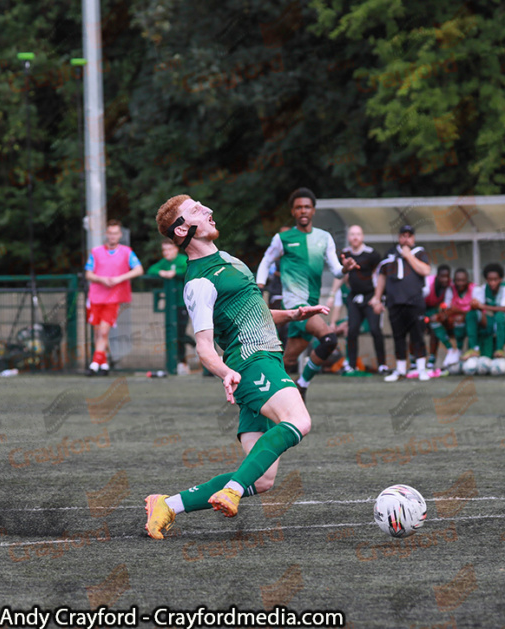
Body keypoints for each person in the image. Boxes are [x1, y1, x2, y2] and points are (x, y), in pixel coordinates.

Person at [145, 195, 326, 537]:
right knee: (299, 420)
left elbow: (252, 308)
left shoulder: (228, 259)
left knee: (263, 478)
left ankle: (168, 505)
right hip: (251, 363)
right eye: (197, 210)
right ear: (183, 229)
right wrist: (226, 372)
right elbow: (204, 346)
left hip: (262, 362)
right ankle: (231, 491)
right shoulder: (199, 283)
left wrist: (291, 315)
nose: (209, 210)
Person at [255, 188, 357, 400]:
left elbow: (337, 271)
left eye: (307, 207)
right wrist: (260, 286)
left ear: (313, 211)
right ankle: (301, 385)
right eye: (299, 207)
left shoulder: (324, 237)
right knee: (329, 339)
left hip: (312, 303)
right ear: (293, 211)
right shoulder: (283, 238)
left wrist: (346, 267)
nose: (303, 210)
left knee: (287, 361)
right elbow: (266, 261)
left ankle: (260, 391)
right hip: (296, 306)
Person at [372, 224, 433, 381]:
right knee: (398, 336)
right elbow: (382, 277)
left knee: (417, 335)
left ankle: (421, 368)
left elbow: (425, 270)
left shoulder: (419, 253)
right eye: (403, 236)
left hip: (415, 302)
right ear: (399, 237)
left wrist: (408, 256)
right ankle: (400, 369)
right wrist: (377, 298)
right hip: (395, 302)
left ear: (413, 238)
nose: (406, 239)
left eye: (409, 236)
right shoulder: (390, 254)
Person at [84, 220, 143, 376]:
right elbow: (88, 273)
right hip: (96, 297)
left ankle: (94, 364)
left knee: (103, 332)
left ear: (120, 235)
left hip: (114, 298)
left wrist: (120, 278)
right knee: (98, 333)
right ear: (106, 234)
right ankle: (103, 366)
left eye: (115, 233)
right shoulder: (96, 252)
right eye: (110, 233)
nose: (112, 236)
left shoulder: (126, 252)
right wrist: (101, 279)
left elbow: (138, 269)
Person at [327, 224, 387, 374]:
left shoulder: (371, 254)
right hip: (354, 297)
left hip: (370, 297)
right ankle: (351, 364)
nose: (355, 237)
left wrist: (378, 298)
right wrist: (332, 294)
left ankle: (382, 364)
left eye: (358, 234)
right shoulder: (345, 254)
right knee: (352, 330)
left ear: (363, 237)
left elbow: (380, 276)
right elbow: (340, 275)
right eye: (352, 234)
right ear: (348, 237)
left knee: (375, 330)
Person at [147, 239, 190, 375]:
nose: (166, 253)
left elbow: (185, 269)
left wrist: (175, 272)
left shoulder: (183, 260)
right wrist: (161, 273)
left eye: (169, 249)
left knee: (180, 332)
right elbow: (151, 269)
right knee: (173, 332)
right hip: (170, 305)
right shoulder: (164, 263)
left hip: (183, 303)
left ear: (176, 249)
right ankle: (177, 362)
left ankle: (183, 361)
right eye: (164, 250)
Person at [465, 263, 505, 359]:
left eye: (495, 280)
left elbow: (504, 309)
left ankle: (500, 349)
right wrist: (474, 305)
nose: (492, 283)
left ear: (500, 279)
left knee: (500, 315)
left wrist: (482, 306)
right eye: (489, 280)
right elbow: (479, 306)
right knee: (471, 315)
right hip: (490, 320)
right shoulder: (483, 289)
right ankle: (474, 348)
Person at [424, 265, 455, 369]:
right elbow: (420, 300)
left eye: (447, 276)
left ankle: (432, 358)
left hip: (435, 311)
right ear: (437, 276)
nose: (445, 279)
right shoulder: (429, 283)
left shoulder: (450, 286)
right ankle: (415, 361)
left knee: (435, 324)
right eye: (442, 276)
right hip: (421, 309)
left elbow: (447, 304)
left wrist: (440, 314)